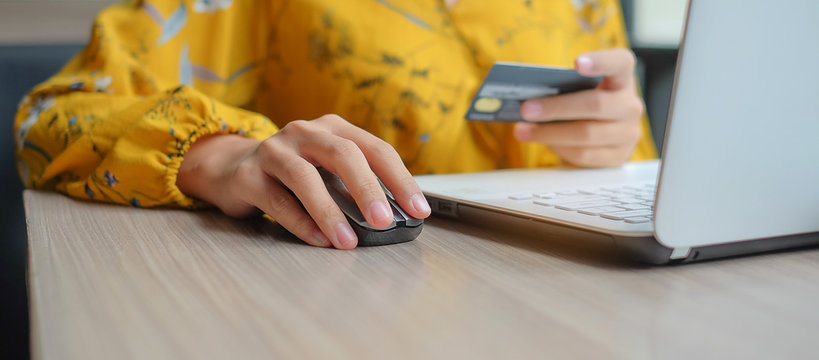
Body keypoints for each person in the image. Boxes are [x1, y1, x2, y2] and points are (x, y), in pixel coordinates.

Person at [14, 0, 656, 249]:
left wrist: (618, 139)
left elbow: (633, 161)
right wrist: (219, 155)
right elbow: (48, 119)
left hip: (572, 290)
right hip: (357, 307)